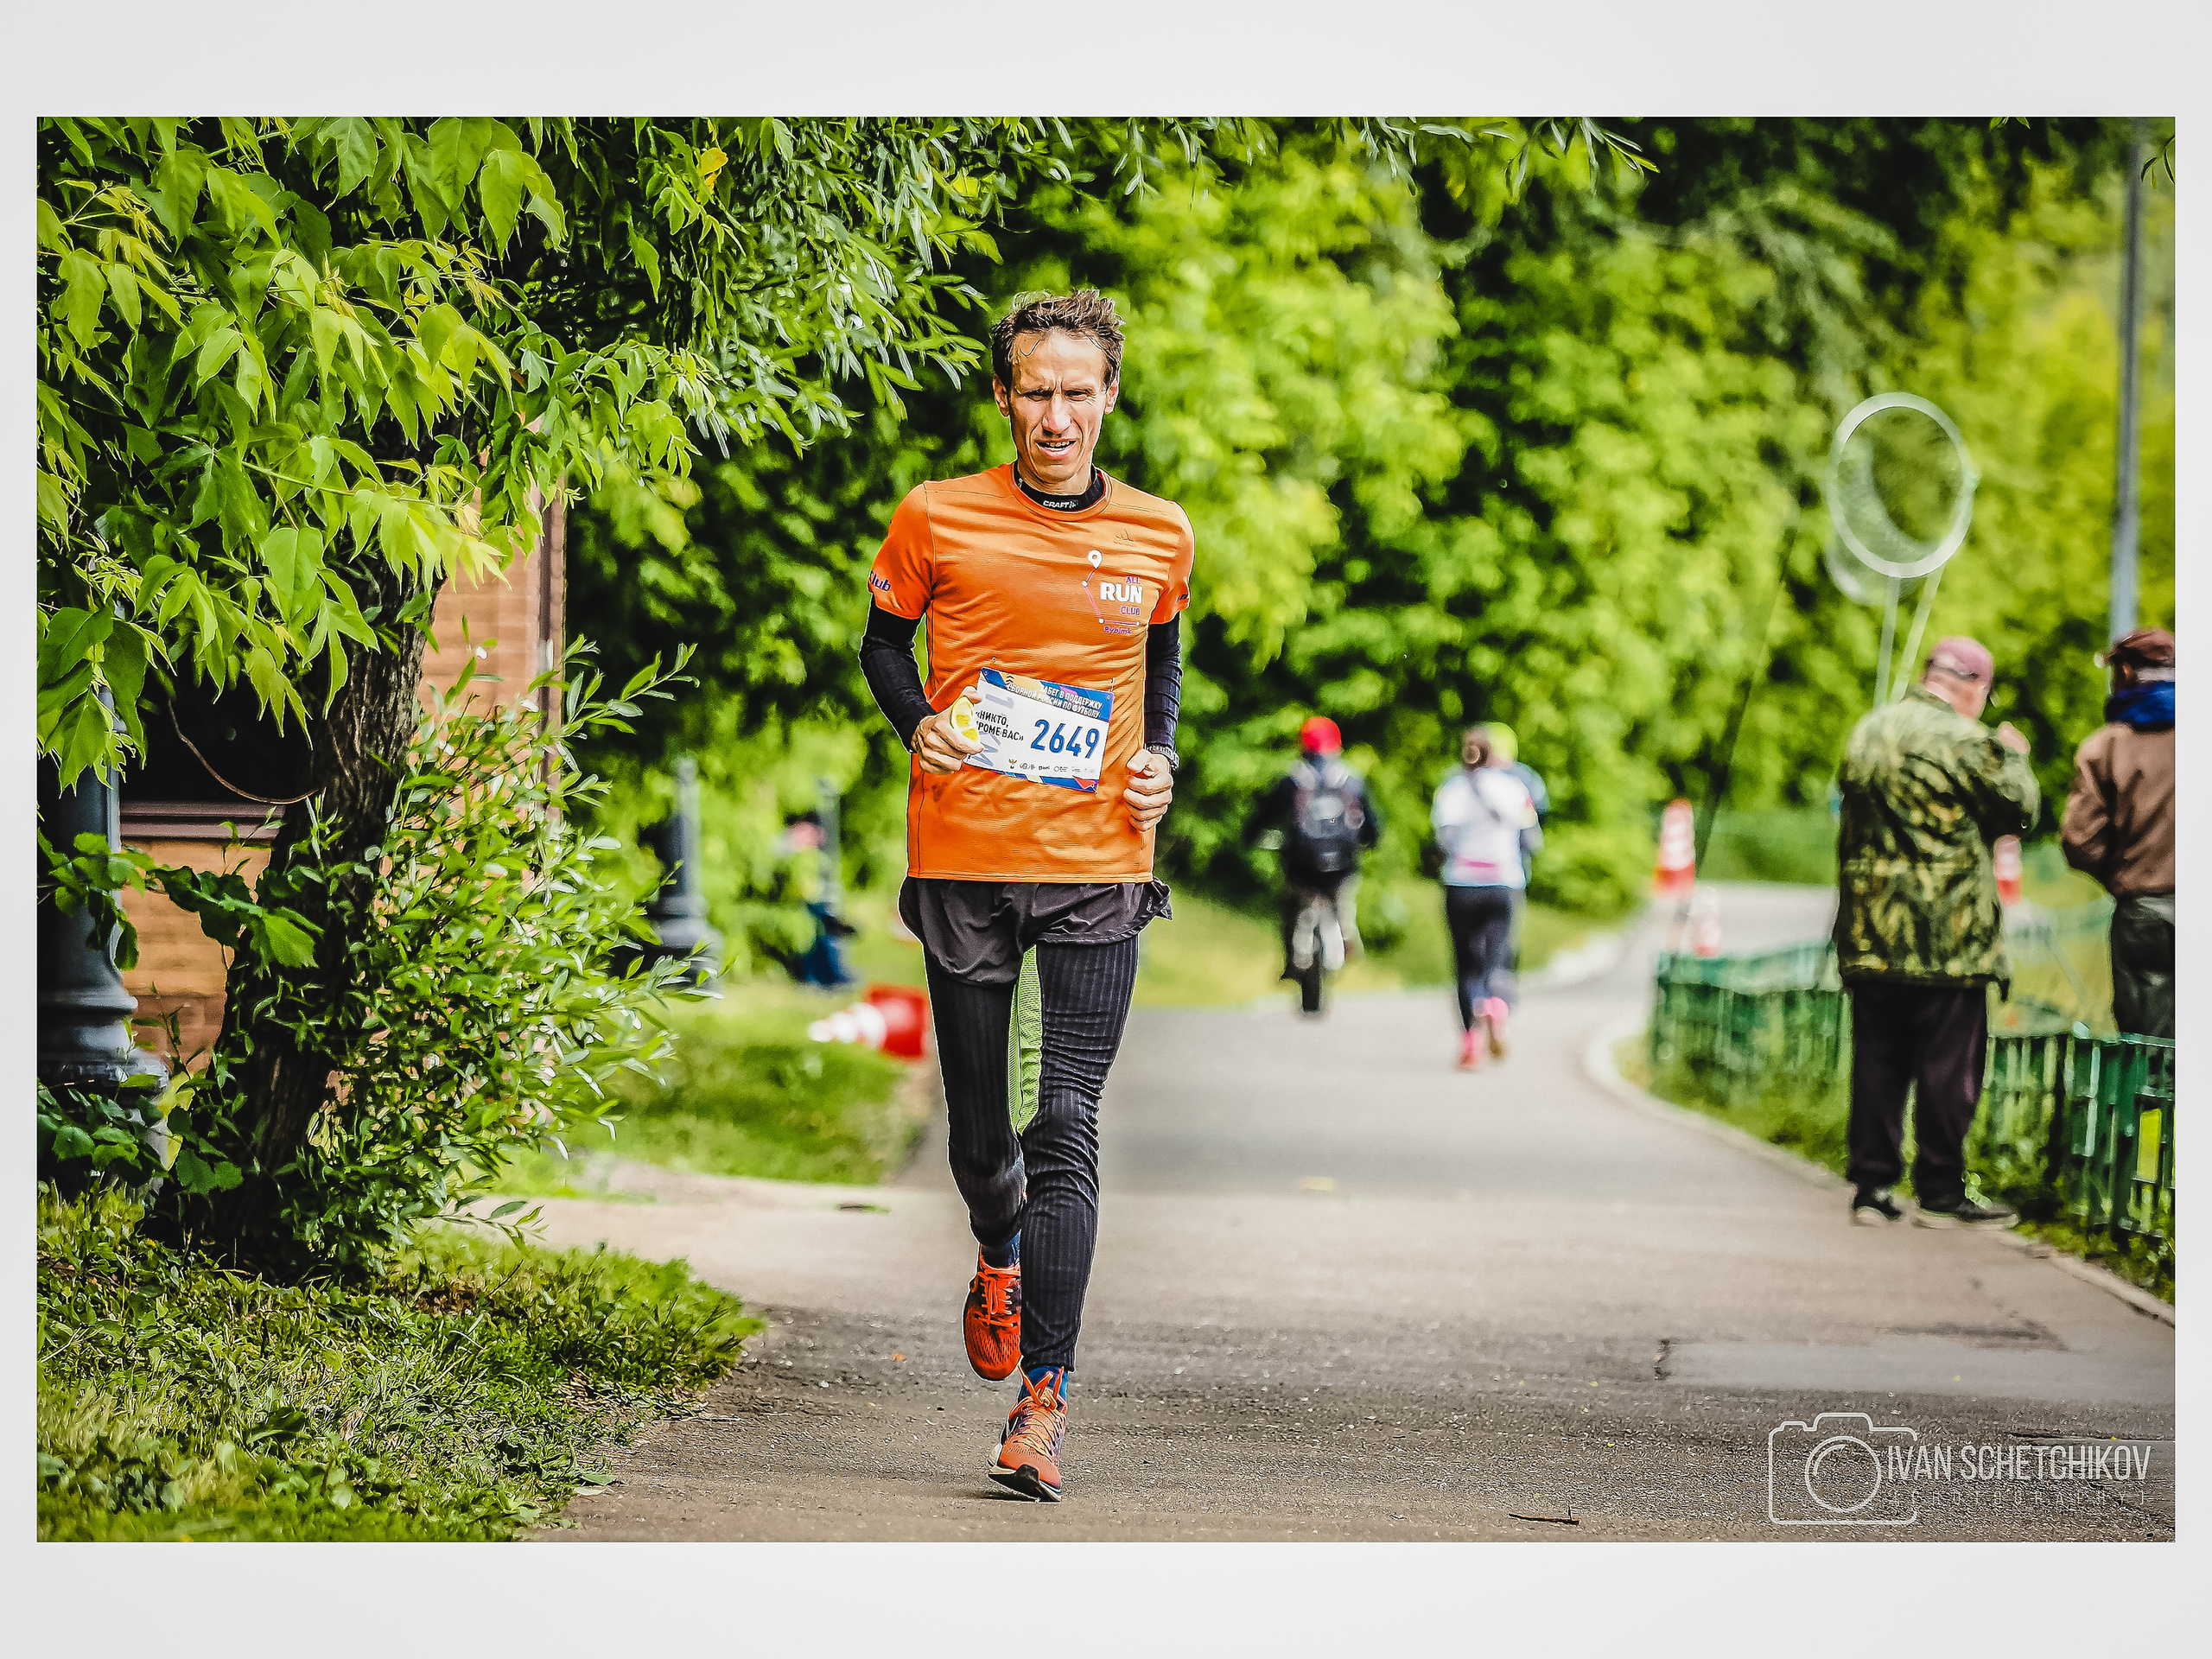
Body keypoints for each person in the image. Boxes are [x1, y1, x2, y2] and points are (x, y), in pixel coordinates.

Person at [856, 289, 1193, 1503]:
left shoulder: (1160, 533)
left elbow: (1159, 661)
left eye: (1078, 390)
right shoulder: (937, 516)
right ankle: (996, 1248)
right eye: (1035, 390)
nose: (1058, 414)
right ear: (1004, 395)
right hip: (965, 857)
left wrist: (1162, 757)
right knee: (985, 1140)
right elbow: (884, 645)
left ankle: (1041, 1400)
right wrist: (921, 726)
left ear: (1110, 395)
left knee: (1067, 1124)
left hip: (1101, 860)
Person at [1833, 638, 2037, 1229]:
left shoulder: (1868, 730)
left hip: (1870, 932)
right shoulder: (1968, 741)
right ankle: (1941, 1191)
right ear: (1972, 686)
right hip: (1949, 939)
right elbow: (2020, 813)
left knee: (1877, 1062)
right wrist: (2014, 756)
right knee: (1949, 1069)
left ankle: (1872, 1187)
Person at [2061, 626, 2174, 1039]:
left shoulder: (2105, 747)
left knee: (2147, 1048)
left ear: (2125, 672)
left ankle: (2155, 1107)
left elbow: (2079, 841)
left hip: (2143, 915)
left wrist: (2129, 878)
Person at [1245, 715, 1382, 1012]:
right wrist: (1369, 842)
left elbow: (1261, 817)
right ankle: (1346, 935)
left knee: (1292, 907)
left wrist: (1251, 837)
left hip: (1301, 867)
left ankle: (1292, 960)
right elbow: (1372, 825)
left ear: (1302, 745)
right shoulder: (1351, 778)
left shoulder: (1293, 779)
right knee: (1343, 898)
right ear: (1337, 745)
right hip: (1343, 866)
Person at [1431, 726, 1539, 1070]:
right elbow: (1529, 834)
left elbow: (1444, 839)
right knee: (1496, 957)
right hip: (1502, 883)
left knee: (1465, 965)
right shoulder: (1514, 787)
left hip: (1461, 883)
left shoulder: (1452, 789)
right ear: (1495, 754)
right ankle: (1496, 1006)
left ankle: (1469, 1041)